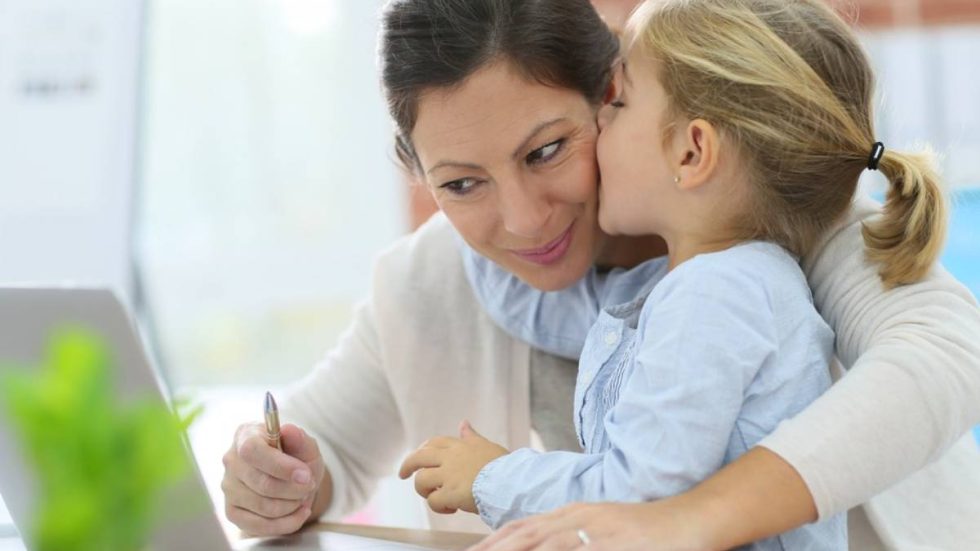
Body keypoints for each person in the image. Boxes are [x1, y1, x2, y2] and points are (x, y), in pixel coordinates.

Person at [218, 0, 980, 547]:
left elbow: (945, 356)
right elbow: (325, 450)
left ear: (611, 93)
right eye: (461, 183)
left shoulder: (774, 213)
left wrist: (686, 518)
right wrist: (274, 478)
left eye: (547, 149)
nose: (524, 219)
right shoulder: (434, 279)